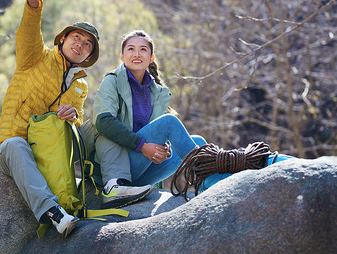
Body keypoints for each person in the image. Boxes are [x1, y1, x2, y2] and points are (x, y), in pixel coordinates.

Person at [92, 30, 295, 206]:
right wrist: (143, 146)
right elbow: (103, 121)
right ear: (121, 56)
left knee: (197, 141)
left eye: (143, 49)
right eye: (131, 49)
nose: (137, 53)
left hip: (143, 167)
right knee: (170, 122)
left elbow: (153, 132)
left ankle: (210, 180)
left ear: (152, 58)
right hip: (120, 167)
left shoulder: (156, 91)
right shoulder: (112, 81)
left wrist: (164, 149)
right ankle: (212, 181)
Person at [0, 0, 99, 237]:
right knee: (16, 144)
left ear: (88, 56)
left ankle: (110, 187)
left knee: (101, 124)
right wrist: (33, 5)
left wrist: (73, 115)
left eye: (88, 44)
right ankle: (52, 213)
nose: (81, 44)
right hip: (12, 149)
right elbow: (28, 32)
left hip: (50, 155)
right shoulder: (34, 58)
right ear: (63, 39)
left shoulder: (80, 85)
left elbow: (74, 124)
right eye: (77, 37)